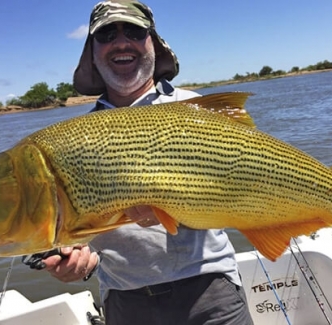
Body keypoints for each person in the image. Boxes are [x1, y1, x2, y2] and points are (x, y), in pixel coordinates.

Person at [41, 1, 254, 324]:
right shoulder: (74, 139)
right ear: (92, 52)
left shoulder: (194, 108)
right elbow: (71, 231)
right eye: (107, 33)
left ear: (152, 41)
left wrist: (177, 205)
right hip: (126, 302)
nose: (122, 42)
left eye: (135, 31)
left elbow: (247, 187)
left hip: (210, 291)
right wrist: (72, 255)